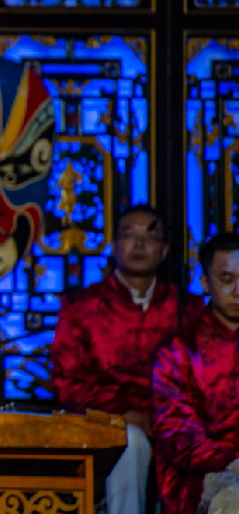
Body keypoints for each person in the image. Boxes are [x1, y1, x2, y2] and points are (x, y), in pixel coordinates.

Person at [50, 204, 204, 514]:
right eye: (128, 235)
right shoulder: (82, 306)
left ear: (164, 250)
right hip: (107, 420)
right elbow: (69, 383)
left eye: (150, 237)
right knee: (130, 441)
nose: (139, 245)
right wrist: (127, 414)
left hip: (172, 419)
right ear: (114, 245)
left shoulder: (188, 309)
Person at [152, 232, 239, 514]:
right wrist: (231, 460)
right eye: (227, 280)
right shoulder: (178, 349)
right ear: (205, 283)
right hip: (202, 476)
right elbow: (177, 433)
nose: (238, 290)